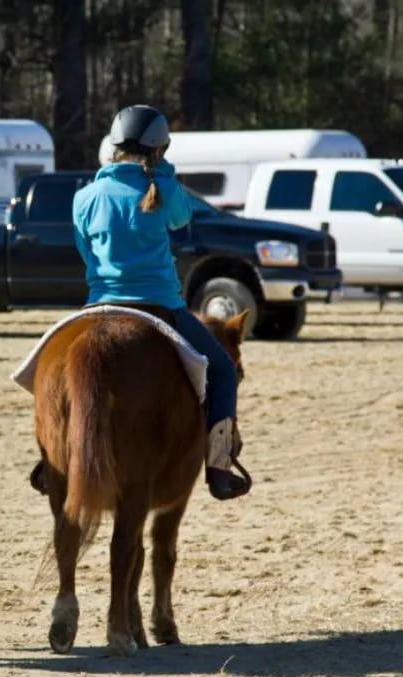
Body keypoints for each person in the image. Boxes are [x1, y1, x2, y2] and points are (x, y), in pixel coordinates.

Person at [71, 104, 250, 500]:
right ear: (159, 150)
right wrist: (164, 173)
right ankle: (219, 467)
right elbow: (181, 219)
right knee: (220, 370)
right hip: (160, 305)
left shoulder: (85, 197)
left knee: (53, 371)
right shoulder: (165, 189)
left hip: (99, 304)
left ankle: (51, 456)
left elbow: (86, 254)